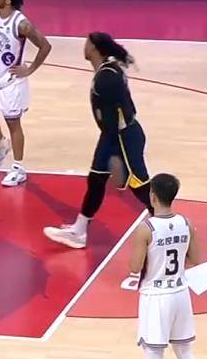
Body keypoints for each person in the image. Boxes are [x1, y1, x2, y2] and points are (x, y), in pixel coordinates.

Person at [44, 33, 154, 249]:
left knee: (139, 184)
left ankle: (168, 223)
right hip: (113, 135)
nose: (83, 47)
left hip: (123, 137)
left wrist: (114, 153)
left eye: (86, 43)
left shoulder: (107, 78)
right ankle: (79, 231)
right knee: (95, 180)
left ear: (94, 48)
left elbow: (121, 113)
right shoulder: (107, 70)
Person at [0, 0, 51, 187]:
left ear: (8, 0)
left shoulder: (21, 24)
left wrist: (30, 69)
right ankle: (2, 143)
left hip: (11, 80)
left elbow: (45, 46)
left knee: (13, 123)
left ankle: (18, 169)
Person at [124, 173, 200, 359]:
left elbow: (135, 267)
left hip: (156, 296)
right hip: (180, 293)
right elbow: (195, 259)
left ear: (153, 196)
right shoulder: (186, 223)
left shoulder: (146, 228)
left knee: (154, 357)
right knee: (185, 352)